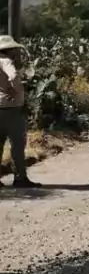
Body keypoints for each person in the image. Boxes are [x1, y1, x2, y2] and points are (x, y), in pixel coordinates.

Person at [0, 35, 39, 188]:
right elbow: (14, 76)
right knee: (17, 145)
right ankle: (20, 178)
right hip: (11, 109)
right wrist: (17, 89)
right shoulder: (6, 61)